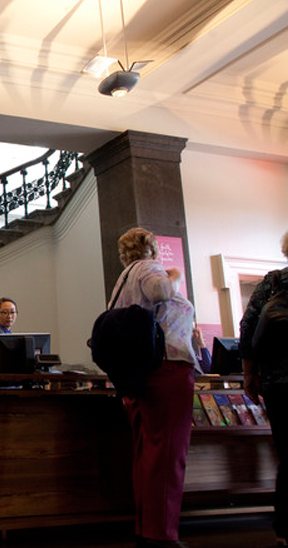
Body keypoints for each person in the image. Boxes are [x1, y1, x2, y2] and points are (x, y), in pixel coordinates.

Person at [111, 227, 196, 548]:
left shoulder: (124, 278)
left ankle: (148, 529)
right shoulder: (149, 267)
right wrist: (174, 273)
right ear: (152, 248)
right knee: (169, 453)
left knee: (148, 454)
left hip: (140, 373)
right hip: (167, 368)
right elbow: (161, 291)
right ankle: (161, 534)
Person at [240, 231, 288, 547]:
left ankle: (285, 530)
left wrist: (249, 375)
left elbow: (247, 329)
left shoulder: (272, 283)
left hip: (278, 384)